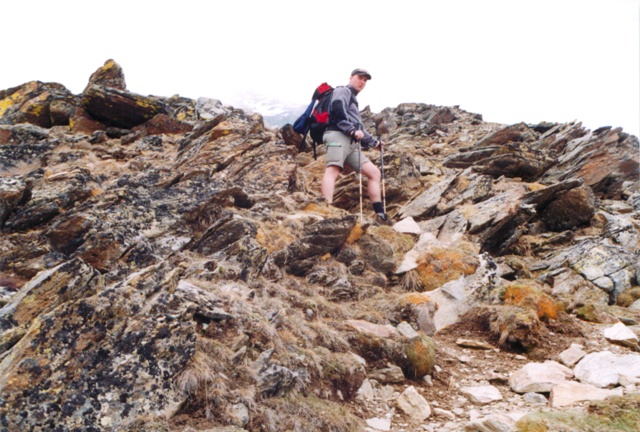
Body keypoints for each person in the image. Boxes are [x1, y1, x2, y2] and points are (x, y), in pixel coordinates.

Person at [320, 68, 389, 224]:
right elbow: (337, 111)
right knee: (333, 169)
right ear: (351, 77)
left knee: (374, 172)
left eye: (365, 80)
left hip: (351, 143)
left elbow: (360, 128)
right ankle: (326, 209)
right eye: (360, 78)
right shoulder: (342, 91)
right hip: (337, 135)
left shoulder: (353, 99)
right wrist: (351, 130)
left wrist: (374, 143)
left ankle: (380, 214)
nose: (362, 82)